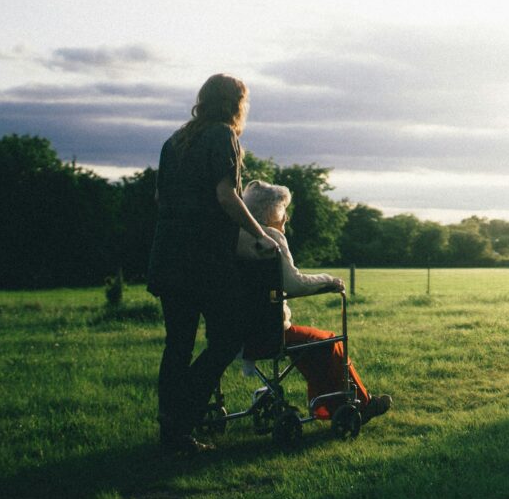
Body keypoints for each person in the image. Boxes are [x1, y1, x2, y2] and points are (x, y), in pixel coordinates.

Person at [147, 74, 278, 454]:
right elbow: (227, 196)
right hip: (202, 260)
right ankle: (183, 414)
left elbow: (160, 196)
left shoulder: (175, 140)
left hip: (167, 255)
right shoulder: (223, 136)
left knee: (178, 345)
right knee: (227, 339)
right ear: (236, 103)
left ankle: (172, 430)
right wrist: (260, 234)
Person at [237, 179, 391, 424]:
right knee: (329, 341)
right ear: (272, 212)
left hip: (237, 332)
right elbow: (294, 284)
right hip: (270, 332)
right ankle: (361, 403)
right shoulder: (270, 238)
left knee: (312, 344)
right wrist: (329, 280)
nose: (286, 218)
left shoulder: (237, 237)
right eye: (284, 212)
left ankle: (327, 407)